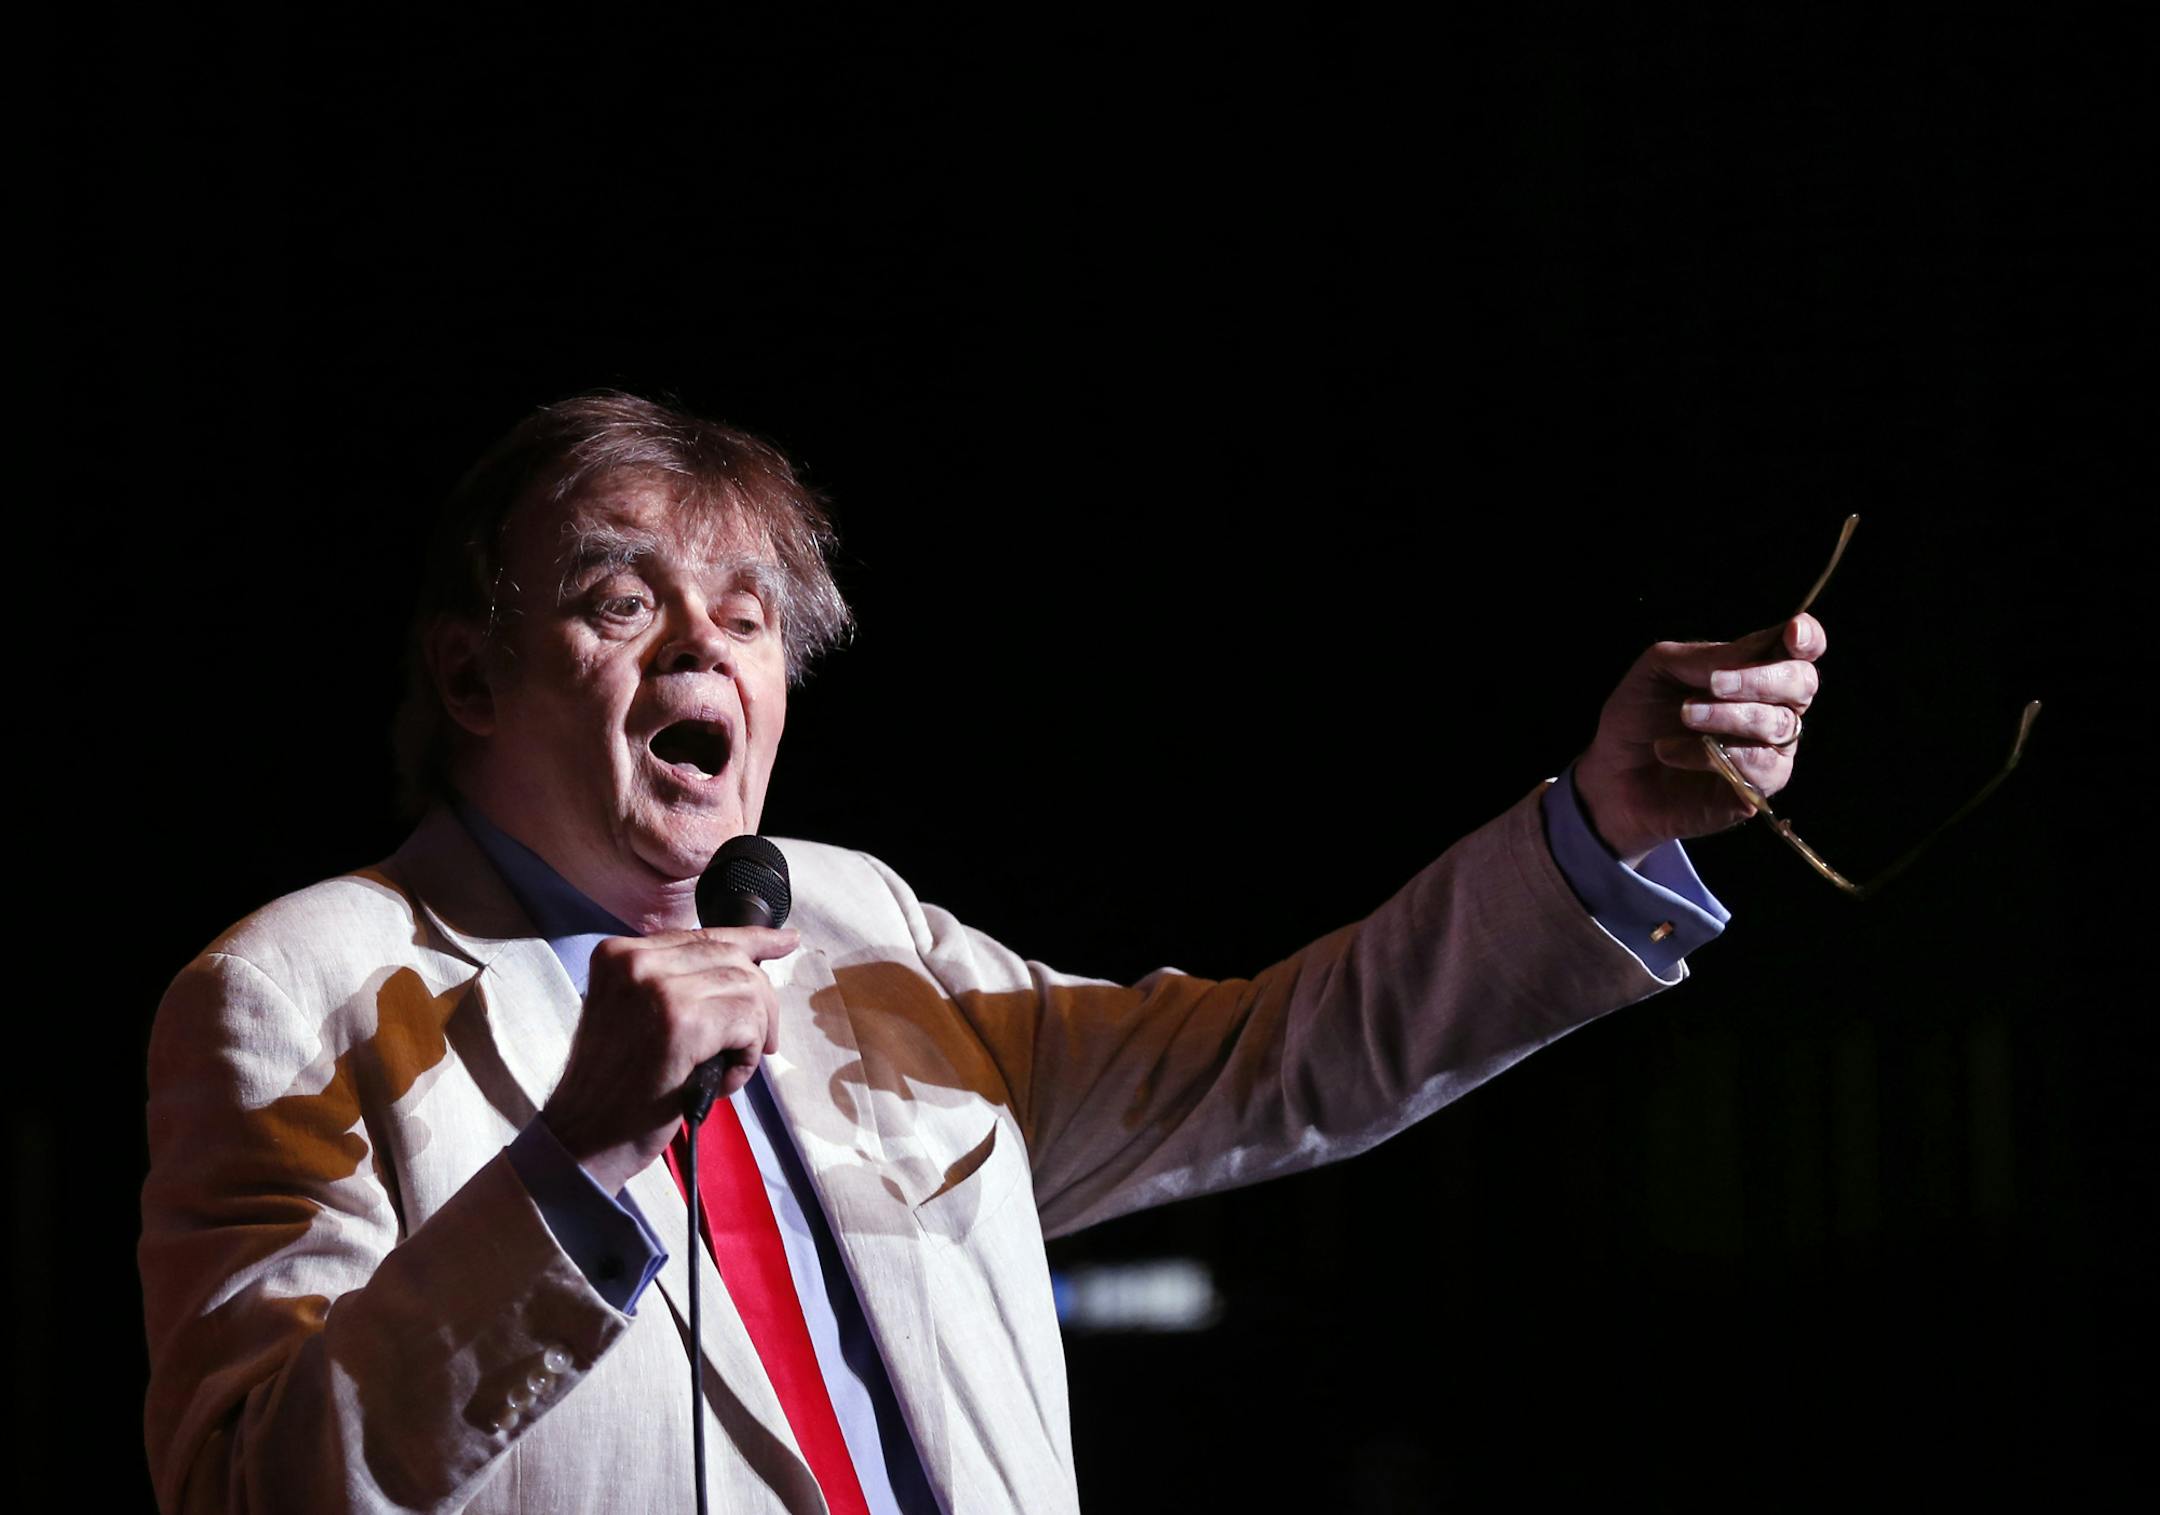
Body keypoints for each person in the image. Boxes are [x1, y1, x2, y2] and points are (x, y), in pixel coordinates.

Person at [139, 392, 1824, 1514]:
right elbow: (253, 1486)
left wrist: (1605, 832)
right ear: (467, 678)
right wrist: (577, 1160)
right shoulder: (302, 984)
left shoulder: (863, 934)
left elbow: (1280, 1065)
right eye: (619, 602)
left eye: (743, 616)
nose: (699, 650)